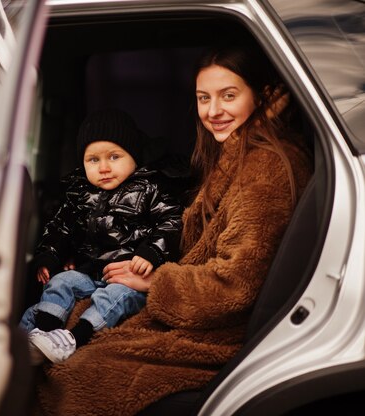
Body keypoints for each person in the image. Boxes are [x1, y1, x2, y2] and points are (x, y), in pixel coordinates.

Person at [34, 45, 313, 415]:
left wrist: (155, 282)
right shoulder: (235, 154)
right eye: (203, 98)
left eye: (229, 96)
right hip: (194, 309)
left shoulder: (265, 170)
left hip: (217, 333)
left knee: (78, 375)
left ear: (260, 96)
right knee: (71, 311)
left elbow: (236, 285)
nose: (213, 111)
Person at [20, 108, 183, 365]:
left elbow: (171, 221)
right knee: (61, 281)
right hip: (90, 273)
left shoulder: (149, 187)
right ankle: (43, 333)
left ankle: (76, 337)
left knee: (114, 296)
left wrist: (151, 252)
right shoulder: (79, 193)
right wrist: (50, 255)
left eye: (115, 157)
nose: (104, 167)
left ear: (134, 157)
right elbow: (61, 228)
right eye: (93, 160)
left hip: (129, 278)